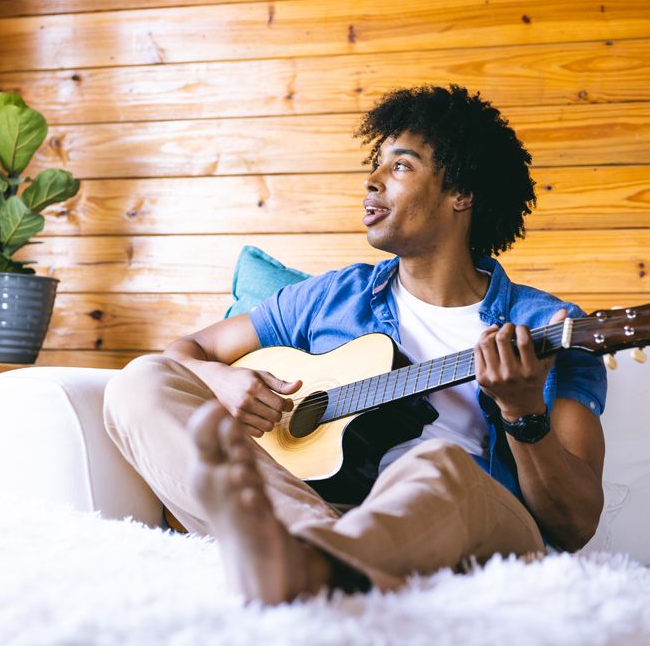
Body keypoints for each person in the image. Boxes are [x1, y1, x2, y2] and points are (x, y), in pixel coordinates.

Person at [103, 84, 607, 605]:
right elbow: (184, 352)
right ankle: (313, 556)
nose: (371, 181)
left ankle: (298, 554)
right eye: (376, 164)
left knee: (437, 464)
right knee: (138, 382)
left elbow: (575, 525)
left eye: (401, 167)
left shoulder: (549, 325)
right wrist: (223, 380)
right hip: (333, 515)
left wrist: (523, 412)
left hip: (469, 525)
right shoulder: (333, 297)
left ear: (461, 193)